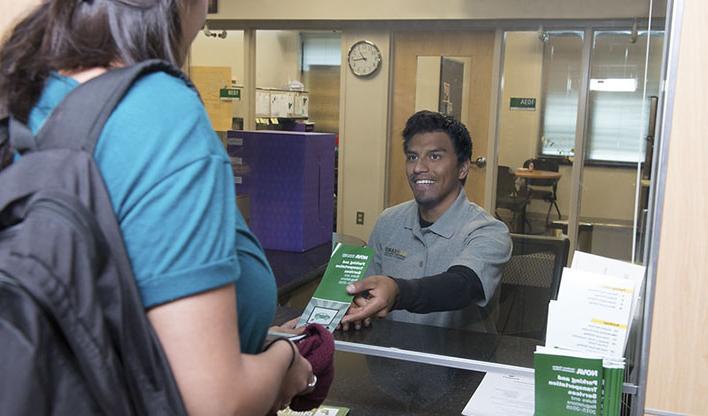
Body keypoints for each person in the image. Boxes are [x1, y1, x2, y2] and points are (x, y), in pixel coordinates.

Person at [0, 1, 312, 414]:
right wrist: (285, 362)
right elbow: (213, 403)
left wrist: (245, 335)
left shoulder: (20, 88)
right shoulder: (159, 111)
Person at [342, 110, 512, 332]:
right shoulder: (388, 222)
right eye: (412, 157)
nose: (419, 168)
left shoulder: (489, 232)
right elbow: (365, 293)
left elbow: (462, 285)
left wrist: (397, 291)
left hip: (455, 363)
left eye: (434, 156)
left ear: (462, 168)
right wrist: (356, 306)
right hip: (388, 360)